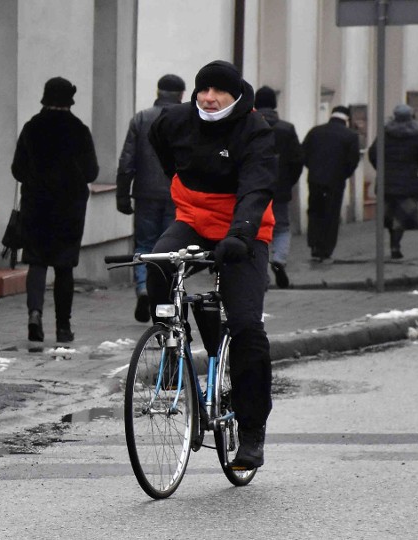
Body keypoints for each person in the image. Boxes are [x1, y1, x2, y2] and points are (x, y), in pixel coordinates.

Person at [148, 60, 276, 470]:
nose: (208, 97)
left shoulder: (254, 129)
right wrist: (183, 186)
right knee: (159, 262)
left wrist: (240, 234)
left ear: (235, 95)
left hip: (244, 230)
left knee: (245, 326)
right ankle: (172, 348)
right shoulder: (175, 120)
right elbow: (161, 145)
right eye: (203, 89)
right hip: (192, 220)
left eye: (218, 91)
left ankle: (252, 432)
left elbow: (258, 186)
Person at [11, 76, 99, 343]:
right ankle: (63, 327)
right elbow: (92, 171)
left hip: (36, 206)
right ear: (69, 100)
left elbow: (17, 169)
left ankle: (35, 315)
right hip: (69, 209)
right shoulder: (79, 130)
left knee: (36, 262)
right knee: (64, 267)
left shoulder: (32, 127)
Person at [116, 74, 184, 321]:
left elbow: (127, 160)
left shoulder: (141, 118)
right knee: (170, 249)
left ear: (158, 92)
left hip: (145, 194)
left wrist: (122, 194)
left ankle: (144, 288)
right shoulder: (188, 120)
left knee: (145, 246)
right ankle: (163, 297)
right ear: (181, 95)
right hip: (178, 195)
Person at [254, 86, 304, 288]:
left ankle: (260, 272)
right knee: (281, 228)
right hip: (280, 189)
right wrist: (288, 182)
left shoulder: (249, 126)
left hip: (254, 189)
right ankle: (279, 260)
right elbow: (297, 159)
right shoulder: (287, 128)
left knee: (256, 230)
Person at [367, 104, 418, 259]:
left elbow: (373, 153)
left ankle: (393, 243)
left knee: (389, 215)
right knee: (401, 216)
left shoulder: (385, 134)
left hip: (386, 182)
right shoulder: (417, 136)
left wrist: (381, 168)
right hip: (408, 183)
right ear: (411, 117)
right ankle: (395, 246)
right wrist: (415, 164)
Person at [302, 105, 360, 263]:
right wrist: (342, 174)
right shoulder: (350, 136)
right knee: (331, 214)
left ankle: (314, 245)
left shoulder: (315, 131)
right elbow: (352, 161)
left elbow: (303, 154)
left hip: (314, 180)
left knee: (314, 211)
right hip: (335, 181)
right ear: (346, 119)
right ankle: (325, 250)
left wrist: (314, 169)